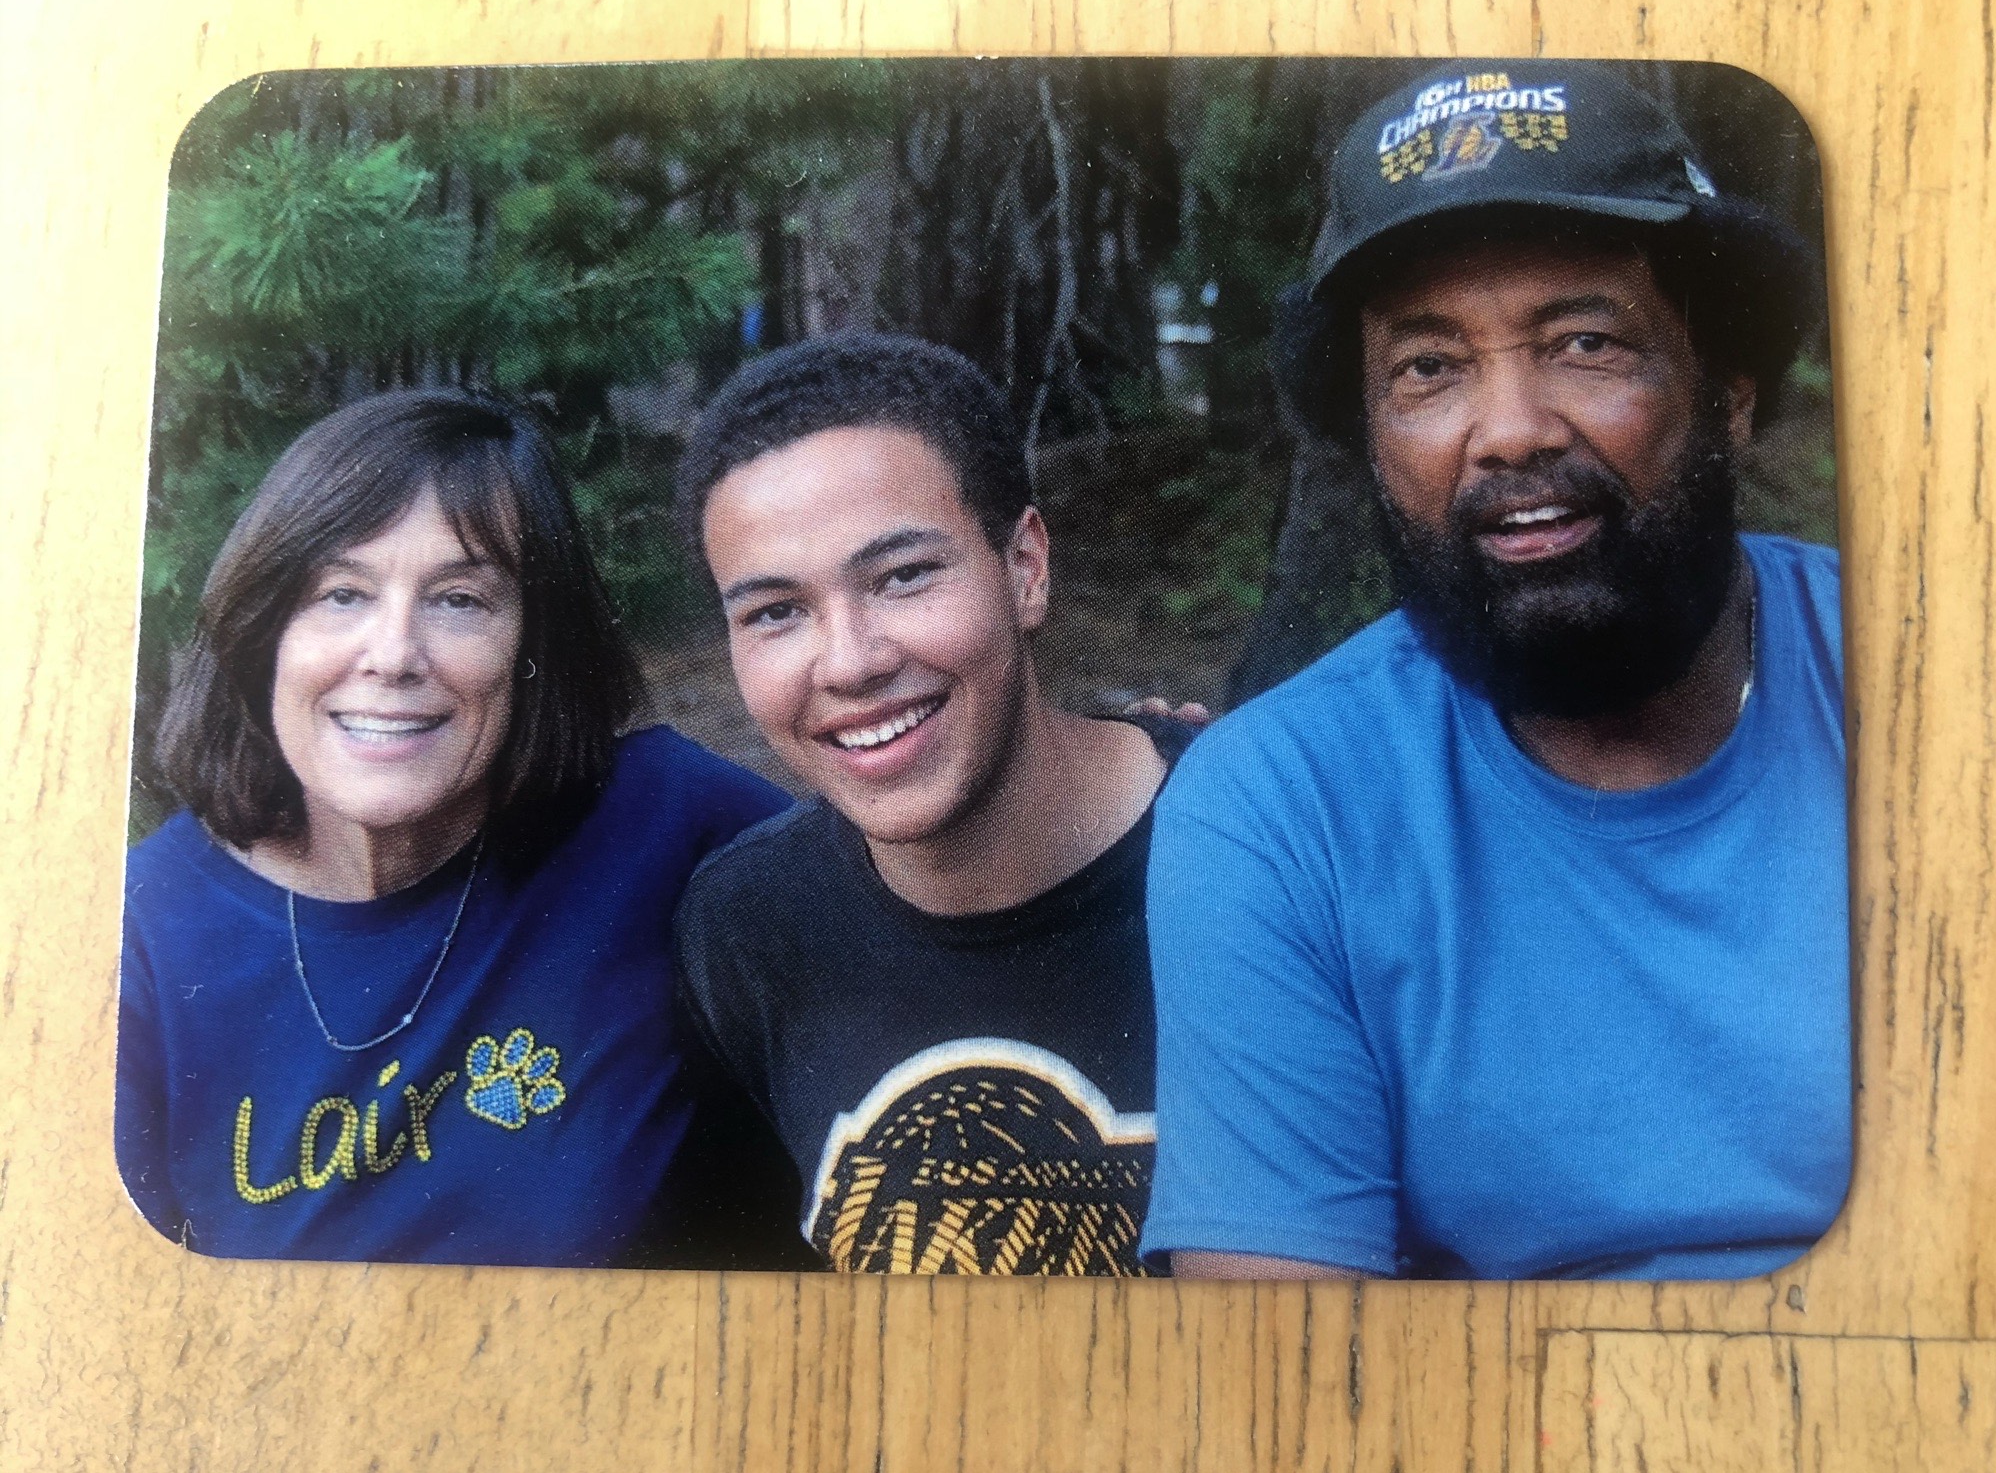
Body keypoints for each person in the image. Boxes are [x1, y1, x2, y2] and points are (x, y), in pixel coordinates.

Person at [1142, 61, 1850, 1281]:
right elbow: (1277, 1375)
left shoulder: (1948, 674)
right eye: (1427, 369)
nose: (1510, 427)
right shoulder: (1281, 805)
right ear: (1371, 440)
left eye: (1582, 341)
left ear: (1725, 395)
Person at [117, 389, 811, 1267]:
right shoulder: (138, 936)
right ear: (264, 632)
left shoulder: (668, 824)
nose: (394, 653)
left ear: (532, 648)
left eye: (459, 600)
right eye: (341, 593)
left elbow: (915, 934)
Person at [671, 335, 1194, 1276]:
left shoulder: (1258, 843)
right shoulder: (746, 930)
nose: (850, 661)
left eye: (904, 575)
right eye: (775, 612)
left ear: (1025, 568)